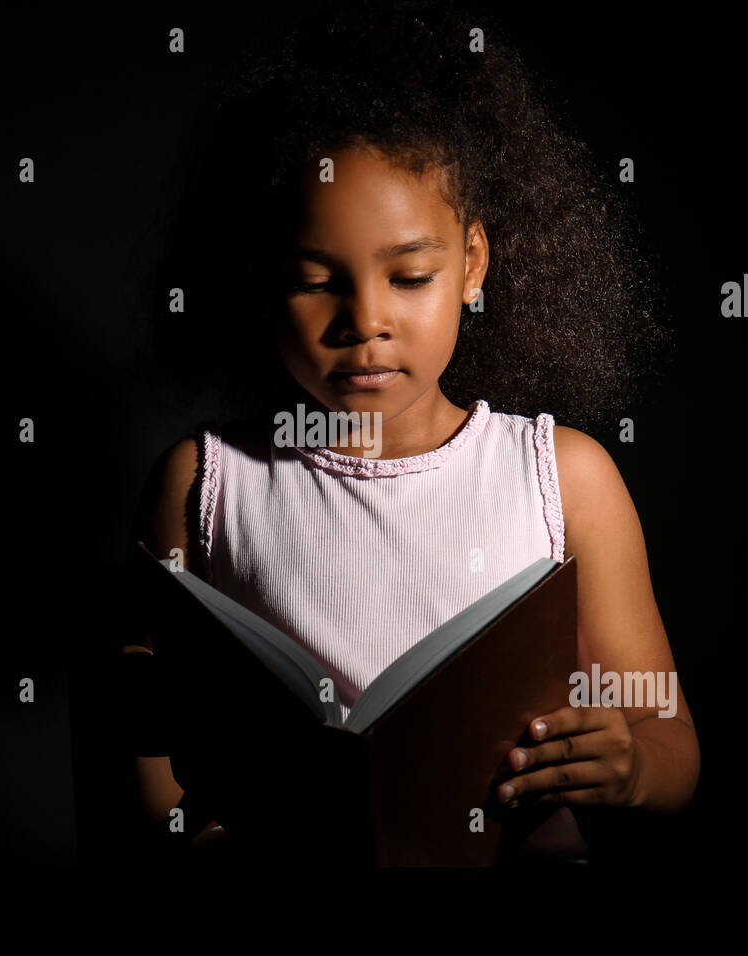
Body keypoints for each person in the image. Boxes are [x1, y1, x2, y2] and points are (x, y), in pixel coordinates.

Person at [122, 0, 699, 863]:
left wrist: (629, 767)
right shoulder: (203, 484)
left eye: (410, 275)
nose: (366, 322)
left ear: (472, 263)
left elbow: (669, 741)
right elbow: (147, 745)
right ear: (260, 279)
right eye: (315, 280)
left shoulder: (563, 478)